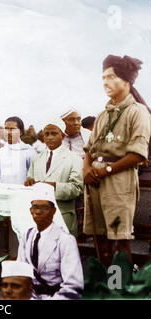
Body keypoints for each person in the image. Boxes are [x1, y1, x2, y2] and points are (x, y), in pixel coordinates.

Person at [83, 55, 151, 267]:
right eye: (103, 77)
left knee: (120, 240)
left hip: (119, 181)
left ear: (126, 82)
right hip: (95, 179)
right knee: (100, 239)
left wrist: (106, 170)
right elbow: (90, 149)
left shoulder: (137, 112)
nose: (105, 82)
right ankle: (106, 285)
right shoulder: (103, 114)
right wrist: (87, 168)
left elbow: (138, 154)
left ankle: (119, 289)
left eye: (111, 77)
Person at [17, 182, 84, 300]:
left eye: (45, 208)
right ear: (30, 210)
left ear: (53, 211)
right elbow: (20, 276)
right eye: (35, 207)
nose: (38, 212)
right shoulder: (27, 236)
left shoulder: (66, 241)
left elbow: (73, 286)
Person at [25, 117, 83, 237]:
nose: (50, 137)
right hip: (39, 217)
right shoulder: (37, 159)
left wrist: (53, 186)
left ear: (62, 136)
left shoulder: (74, 159)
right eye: (47, 134)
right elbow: (30, 180)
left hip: (62, 215)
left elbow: (77, 188)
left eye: (54, 133)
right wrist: (29, 182)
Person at [0, 116, 37, 184]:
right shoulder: (0, 152)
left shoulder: (29, 152)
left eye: (12, 129)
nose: (8, 132)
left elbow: (33, 176)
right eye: (6, 129)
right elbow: (0, 173)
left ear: (21, 132)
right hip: (3, 191)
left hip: (22, 192)